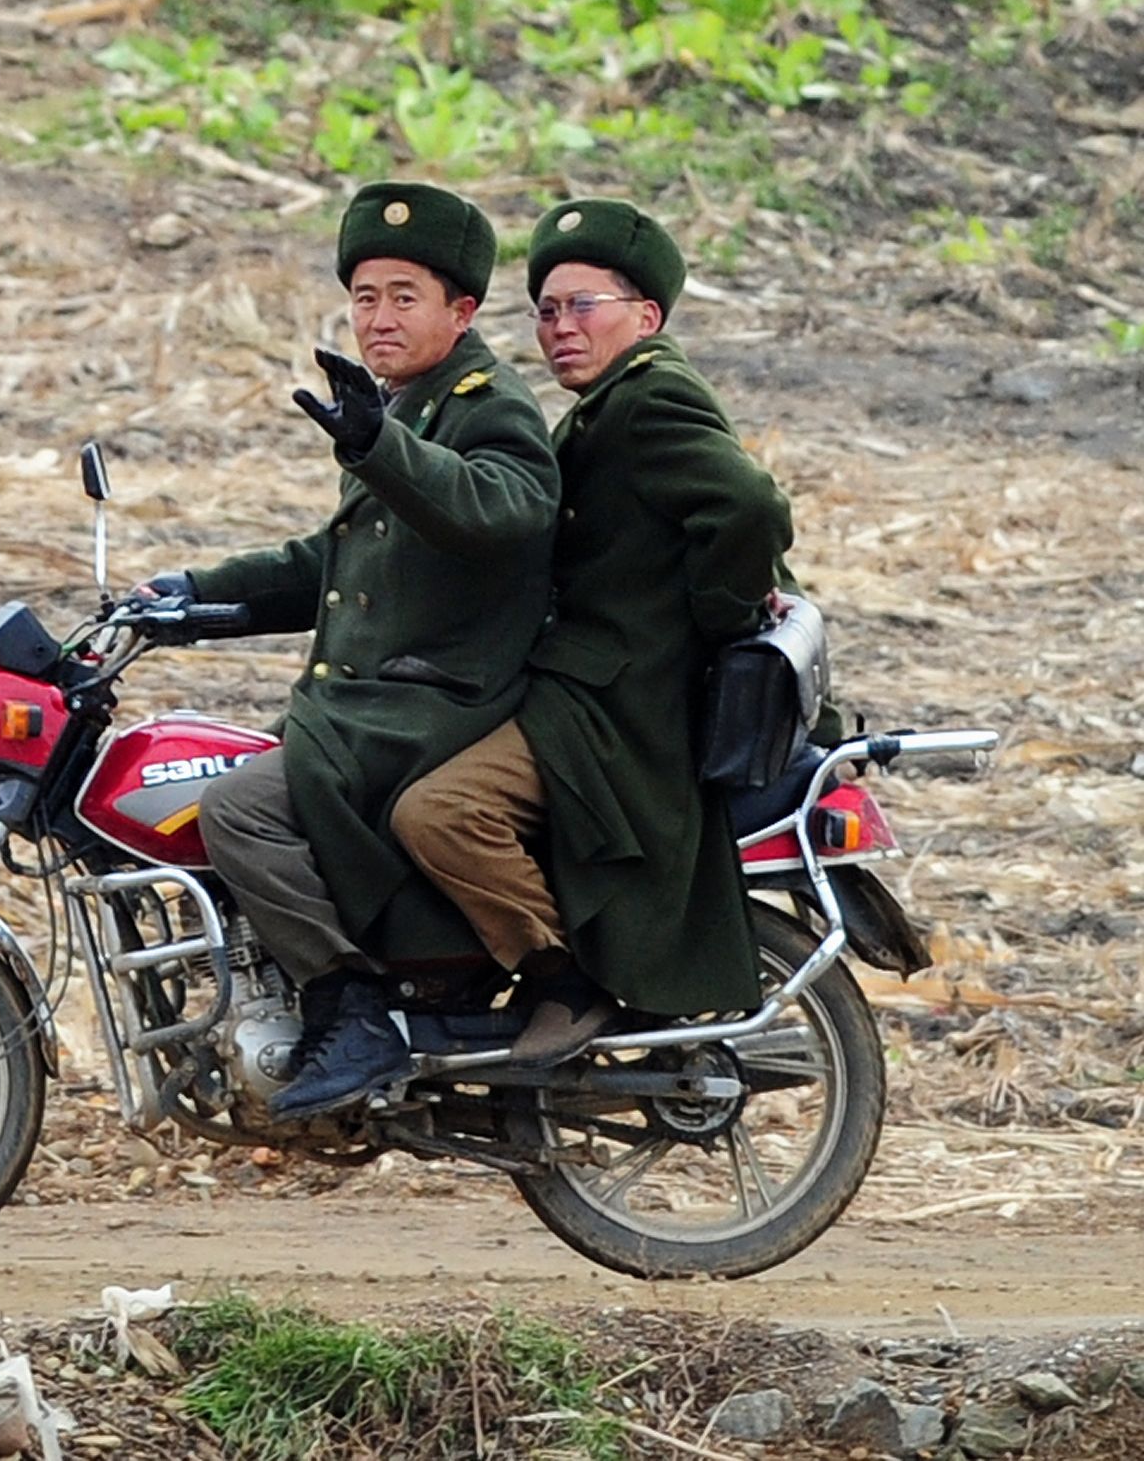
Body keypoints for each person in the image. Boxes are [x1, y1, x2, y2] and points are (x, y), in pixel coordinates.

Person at [143, 181, 560, 1120]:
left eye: (405, 297)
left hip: (433, 711)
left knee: (237, 809)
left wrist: (380, 447)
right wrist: (191, 593)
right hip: (374, 705)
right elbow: (335, 563)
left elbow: (504, 509)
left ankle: (351, 1008)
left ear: (462, 310)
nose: (378, 318)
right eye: (365, 297)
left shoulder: (489, 405)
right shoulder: (406, 408)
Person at [391, 198, 806, 1062]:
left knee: (441, 812)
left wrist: (723, 623)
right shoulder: (604, 404)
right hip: (589, 684)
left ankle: (560, 981)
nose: (560, 329)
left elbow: (749, 506)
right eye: (546, 311)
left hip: (618, 706)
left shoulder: (651, 396)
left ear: (645, 316)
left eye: (583, 306)